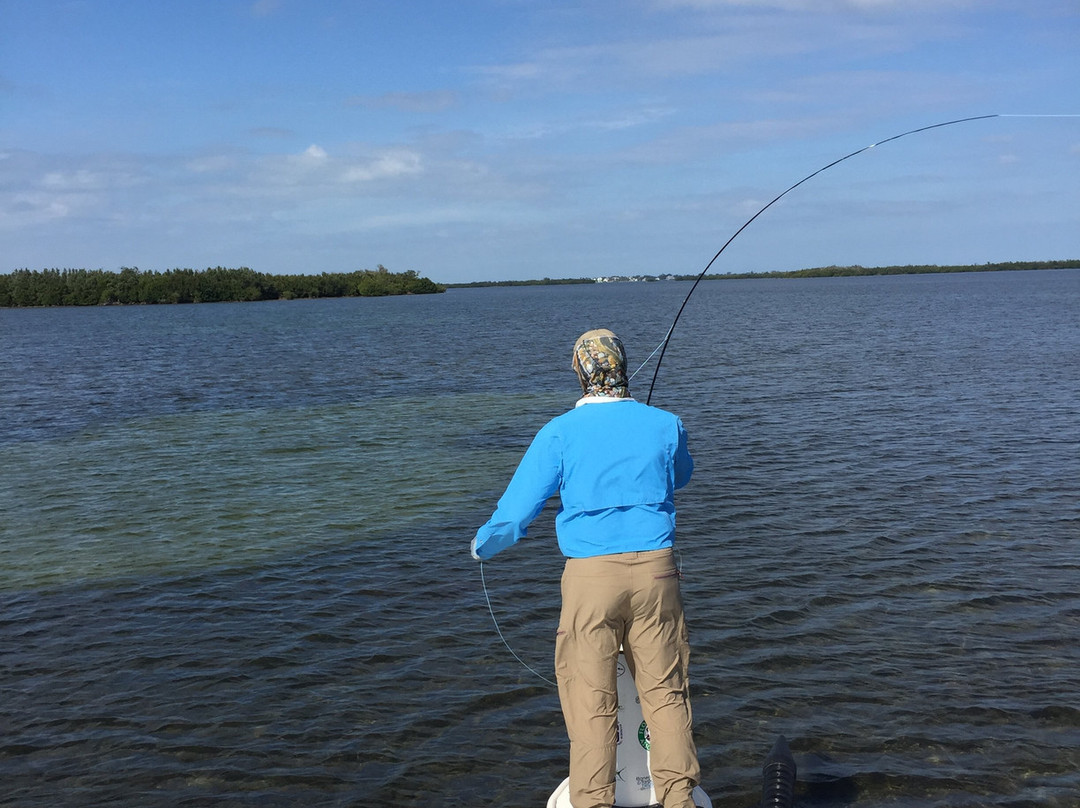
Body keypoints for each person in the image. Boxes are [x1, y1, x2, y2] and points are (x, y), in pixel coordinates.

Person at [472, 328, 701, 808]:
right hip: (658, 576)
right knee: (665, 693)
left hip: (591, 581)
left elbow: (515, 516)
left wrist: (482, 547)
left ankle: (595, 801)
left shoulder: (558, 432)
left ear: (580, 372)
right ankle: (678, 799)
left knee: (592, 701)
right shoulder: (666, 422)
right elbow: (681, 475)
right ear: (622, 366)